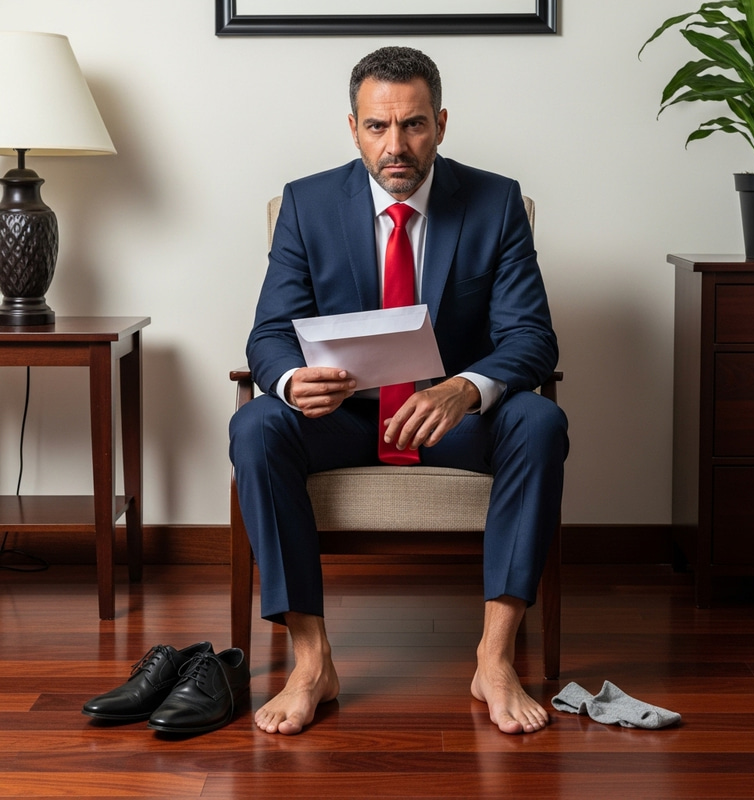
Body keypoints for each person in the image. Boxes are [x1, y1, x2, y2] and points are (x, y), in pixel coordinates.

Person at [229, 46, 568, 736]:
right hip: (345, 419)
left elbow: (532, 338)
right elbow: (267, 335)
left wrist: (465, 390)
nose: (396, 145)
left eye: (413, 125)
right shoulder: (307, 203)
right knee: (256, 425)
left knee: (538, 421)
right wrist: (296, 381)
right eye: (378, 127)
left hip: (455, 423)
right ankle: (312, 659)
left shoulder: (495, 201)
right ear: (352, 128)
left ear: (440, 123)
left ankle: (494, 658)